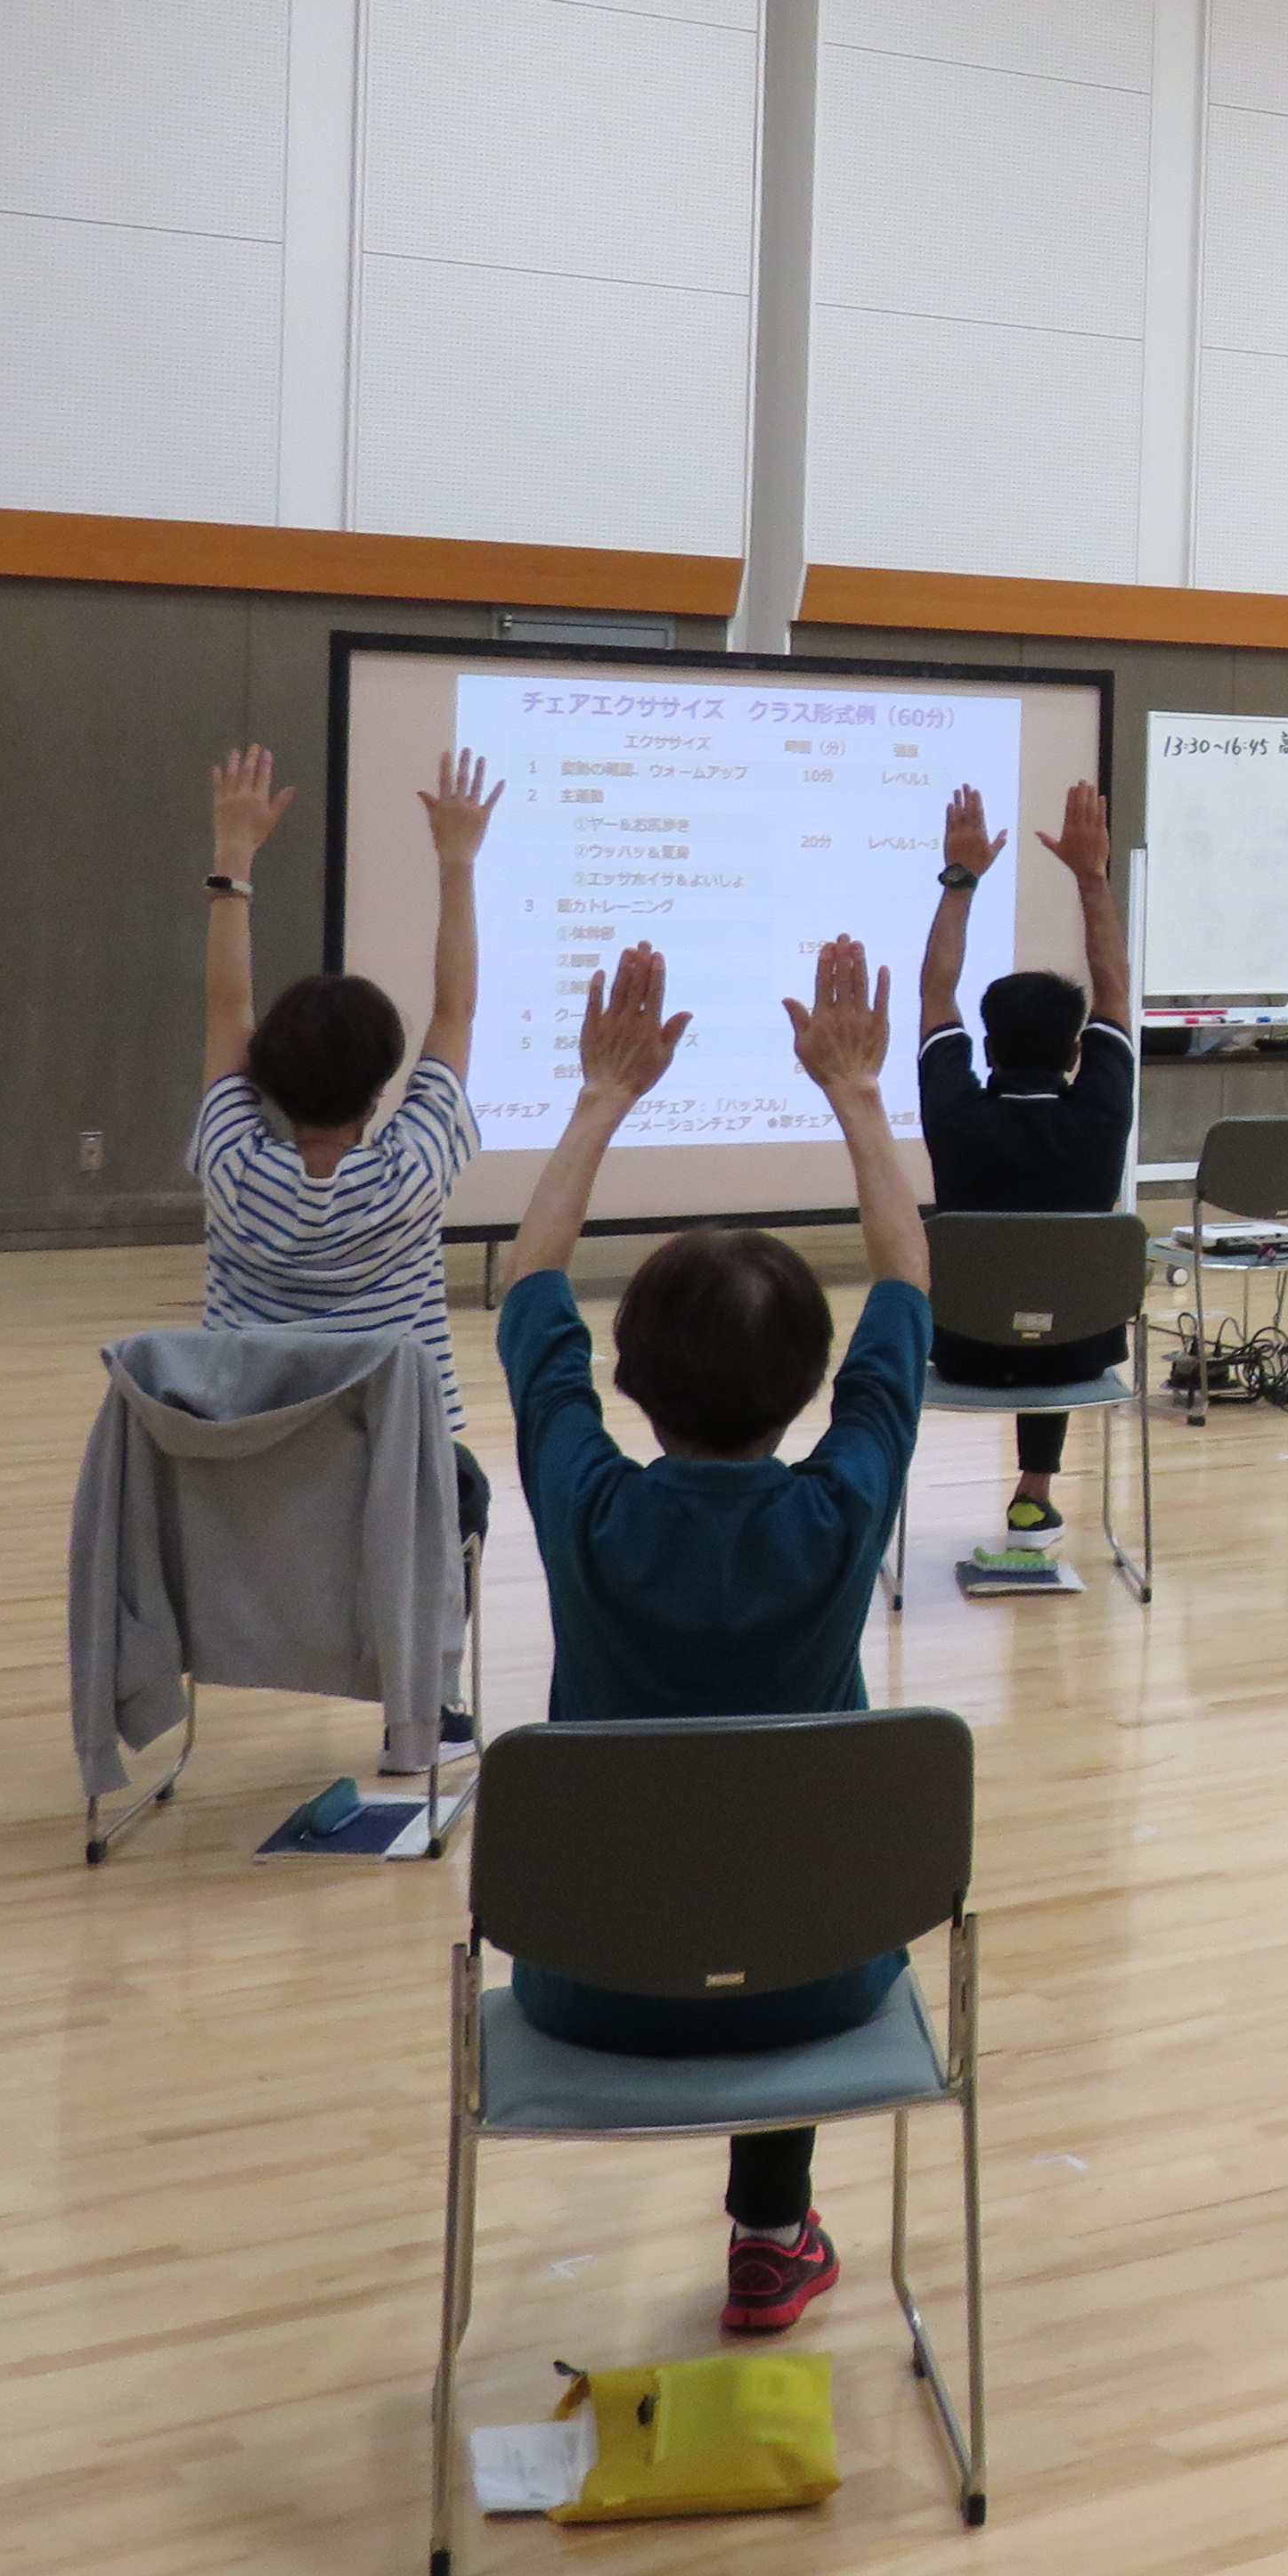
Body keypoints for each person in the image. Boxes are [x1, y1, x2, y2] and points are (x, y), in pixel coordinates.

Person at [495, 933, 927, 2336]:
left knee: (722, 1862)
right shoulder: (842, 1512)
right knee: (777, 1864)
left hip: (593, 1979)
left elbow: (531, 1290)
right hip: (818, 1974)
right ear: (817, 1384)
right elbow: (908, 1289)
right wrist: (857, 1097)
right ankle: (772, 2232)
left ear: (624, 1378)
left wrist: (599, 1100)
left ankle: (771, 2228)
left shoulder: (586, 1508)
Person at [196, 740, 496, 1772]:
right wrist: (457, 863)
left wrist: (234, 858)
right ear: (384, 1087)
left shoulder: (230, 1168)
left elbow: (224, 1011)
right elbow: (455, 1010)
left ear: (263, 1079)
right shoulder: (412, 1175)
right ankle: (427, 1712)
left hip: (249, 1484)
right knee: (463, 1489)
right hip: (395, 1492)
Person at [913, 778, 1135, 1537]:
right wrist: (1091, 878)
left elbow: (935, 990)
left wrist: (961, 880)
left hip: (963, 1350)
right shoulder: (1100, 1113)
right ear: (1078, 1051)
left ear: (984, 1047)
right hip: (1079, 1351)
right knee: (1053, 1294)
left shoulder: (955, 1112)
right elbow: (1114, 985)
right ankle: (1033, 1490)